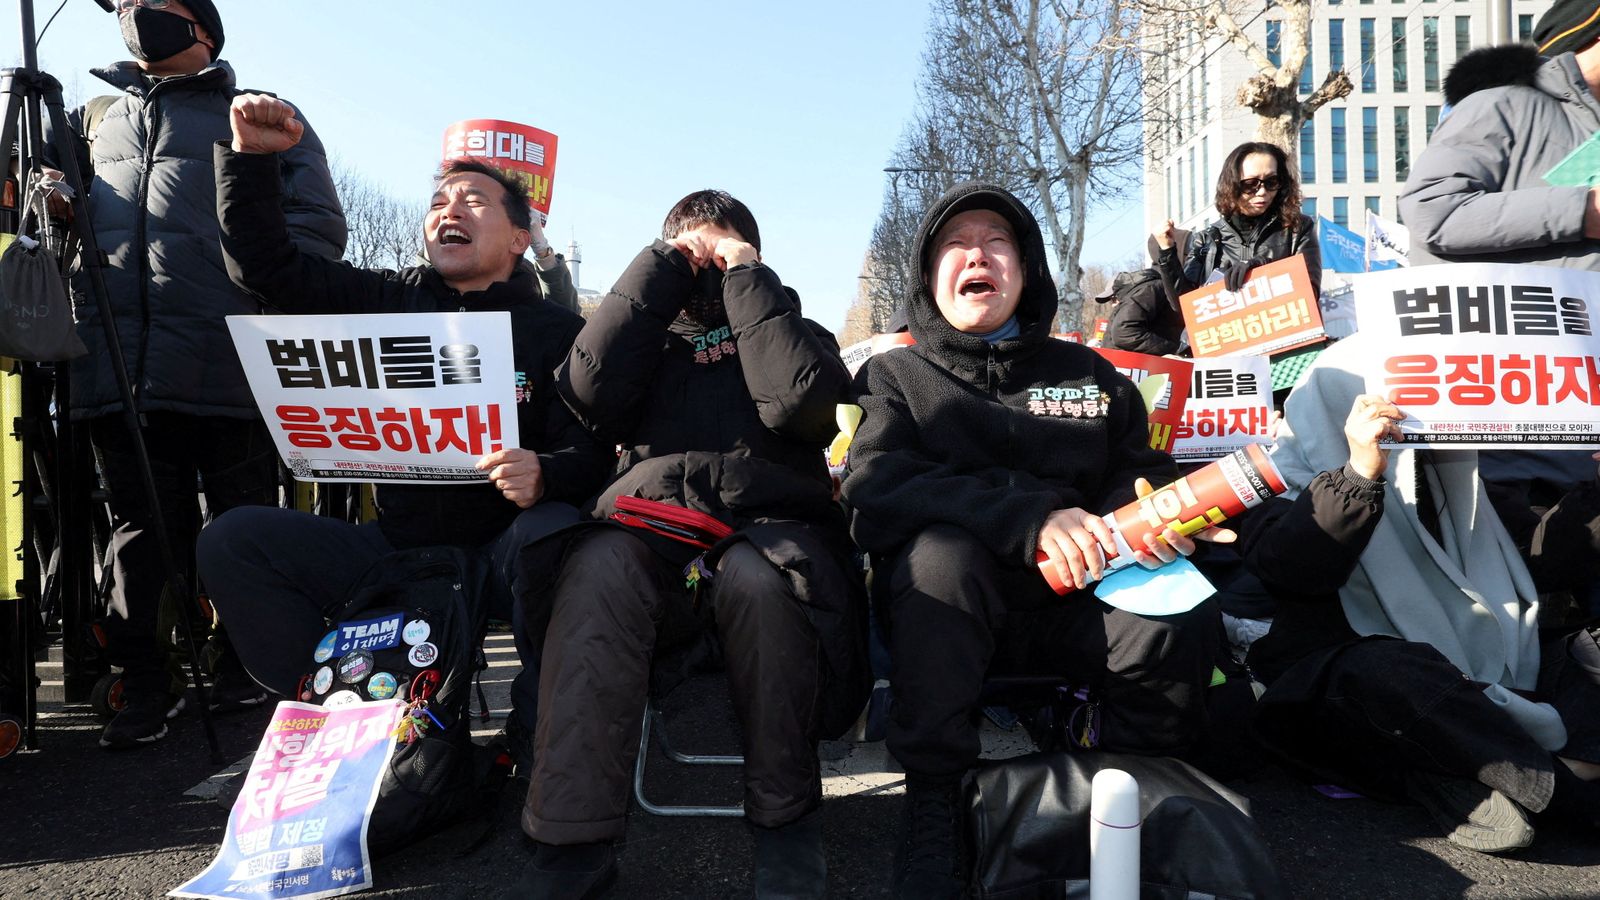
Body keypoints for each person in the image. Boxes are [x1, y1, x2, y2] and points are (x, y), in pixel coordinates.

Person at [195, 94, 609, 760]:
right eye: (439, 202)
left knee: (561, 537)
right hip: (396, 545)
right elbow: (266, 270)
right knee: (233, 540)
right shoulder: (386, 301)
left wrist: (546, 472)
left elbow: (597, 451)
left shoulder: (561, 333)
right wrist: (249, 162)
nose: (450, 211)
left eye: (473, 202)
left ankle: (534, 735)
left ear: (519, 238)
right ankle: (341, 718)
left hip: (503, 550)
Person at [842, 183, 1220, 898]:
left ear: (1026, 268)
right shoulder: (893, 375)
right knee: (939, 557)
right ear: (928, 274)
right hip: (946, 614)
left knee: (1177, 608)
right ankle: (935, 800)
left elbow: (1137, 475)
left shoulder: (1091, 374)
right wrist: (1031, 519)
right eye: (956, 244)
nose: (977, 255)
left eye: (996, 242)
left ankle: (1132, 793)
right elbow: (875, 486)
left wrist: (1155, 520)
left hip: (1080, 600)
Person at [508, 191, 867, 899]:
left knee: (762, 578)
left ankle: (787, 822)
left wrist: (748, 281)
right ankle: (569, 844)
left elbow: (803, 407)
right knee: (596, 564)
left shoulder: (796, 329)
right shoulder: (647, 341)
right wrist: (660, 269)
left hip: (766, 538)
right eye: (691, 249)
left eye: (724, 247)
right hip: (654, 543)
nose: (708, 261)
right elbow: (585, 388)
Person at [59, 0, 346, 750]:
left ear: (203, 30)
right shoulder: (89, 121)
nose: (135, 14)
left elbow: (319, 229)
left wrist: (250, 286)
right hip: (119, 364)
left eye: (155, 4)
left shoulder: (260, 114)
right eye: (127, 5)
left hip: (231, 367)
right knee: (136, 538)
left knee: (241, 524)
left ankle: (244, 667)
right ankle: (145, 684)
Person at [1242, 334, 1600, 854]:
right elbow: (1295, 570)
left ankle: (1463, 780)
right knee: (1391, 671)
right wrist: (1358, 475)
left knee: (1586, 645)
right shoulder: (1277, 483)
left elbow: (1542, 564)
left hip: (1481, 679)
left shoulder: (1454, 476)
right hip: (1351, 697)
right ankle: (1571, 789)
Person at [1398, 2, 1600, 613]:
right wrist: (1584, 210)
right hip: (1513, 429)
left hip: (1583, 425)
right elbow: (1432, 212)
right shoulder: (1505, 105)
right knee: (1523, 609)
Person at [1152, 141, 1322, 300]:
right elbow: (1185, 304)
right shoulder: (1207, 239)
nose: (1262, 191)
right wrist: (1167, 252)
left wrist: (1260, 267)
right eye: (1251, 183)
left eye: (1271, 182)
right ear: (1231, 184)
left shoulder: (1297, 228)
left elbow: (1309, 293)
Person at [1100, 267, 1185, 356]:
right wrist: (1173, 350)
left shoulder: (1145, 291)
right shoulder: (1141, 293)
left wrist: (1173, 350)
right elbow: (1123, 333)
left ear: (1121, 290)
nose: (1113, 305)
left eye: (1113, 299)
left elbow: (1124, 332)